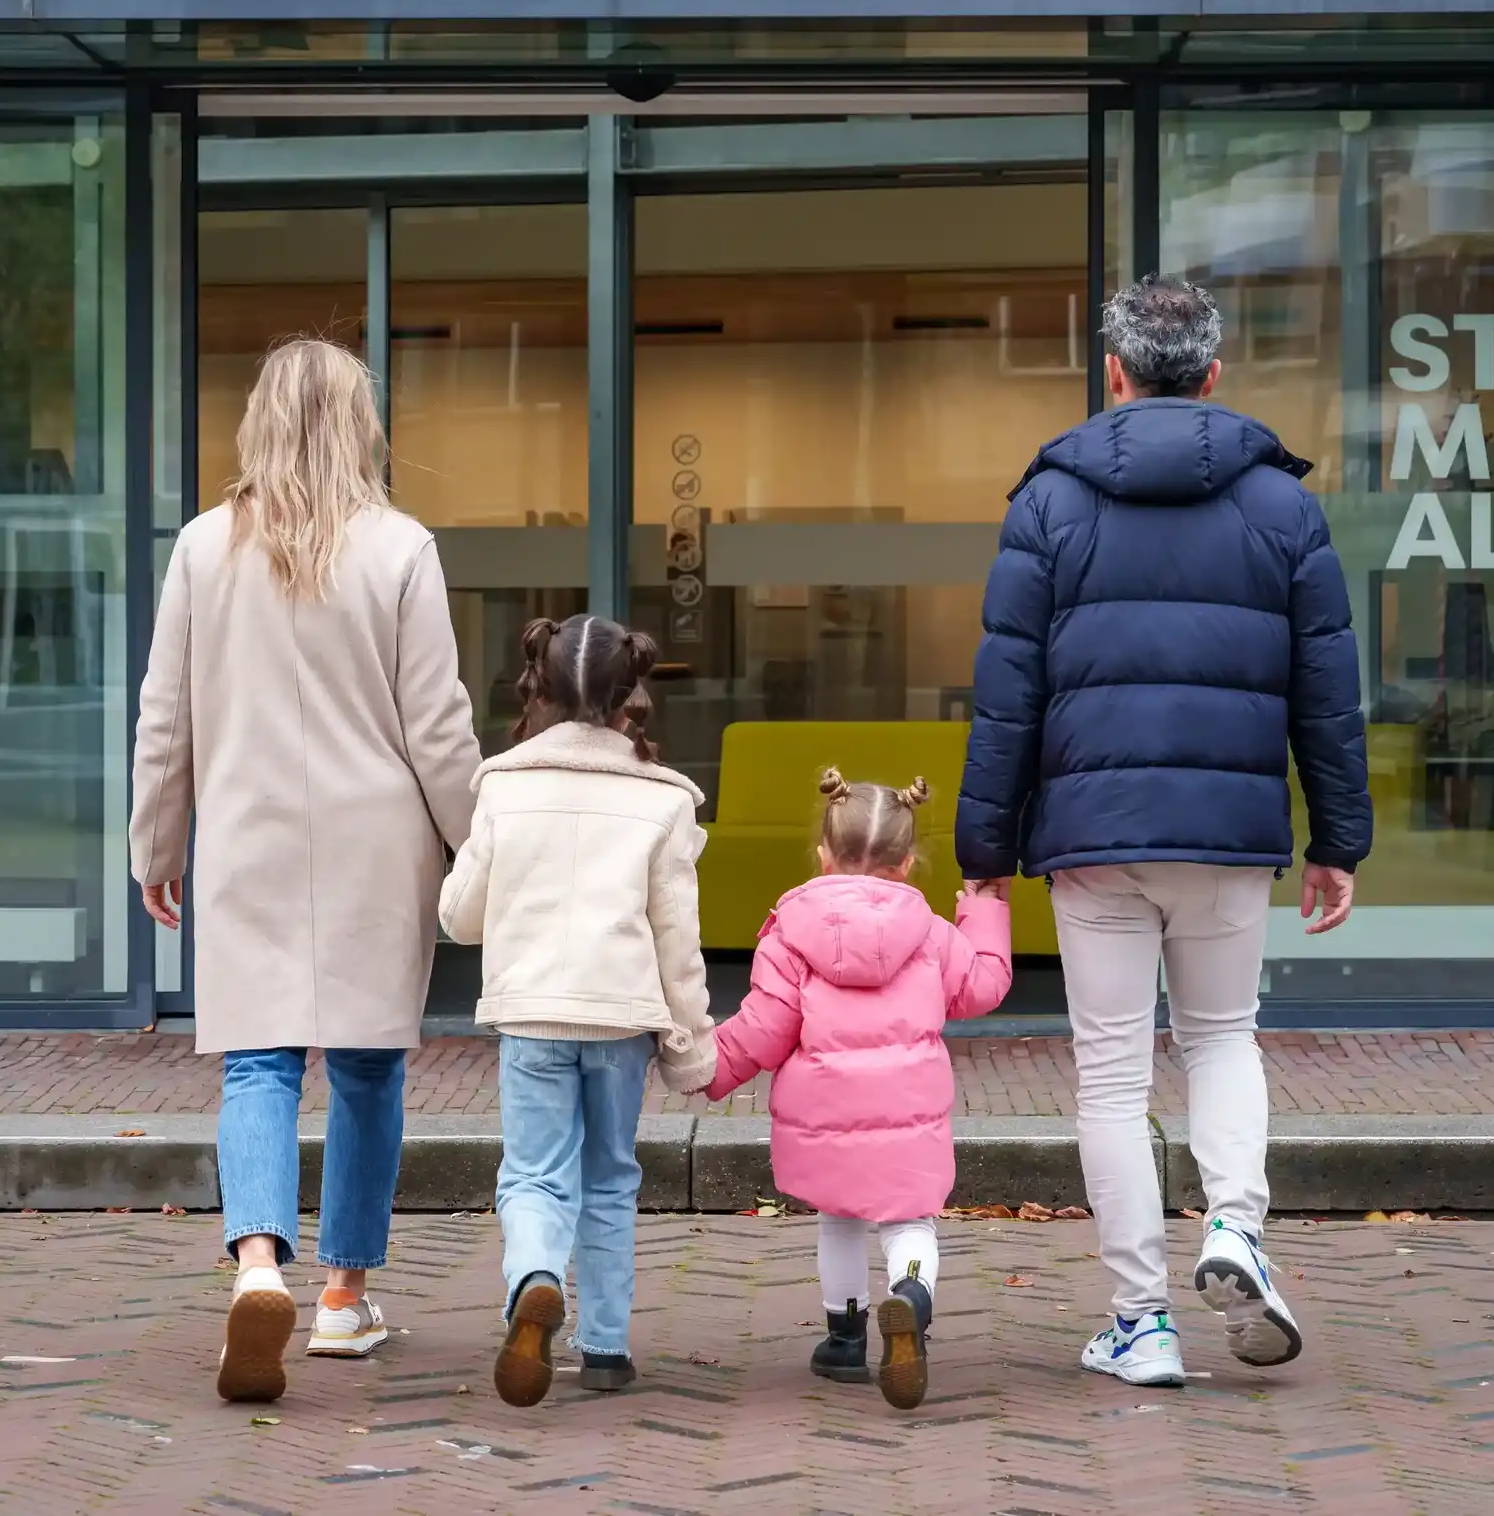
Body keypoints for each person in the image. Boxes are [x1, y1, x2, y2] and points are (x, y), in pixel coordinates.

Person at [956, 275, 1370, 1388]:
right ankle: (1234, 1225)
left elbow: (1007, 695)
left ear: (1115, 374)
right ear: (1214, 376)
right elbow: (1328, 690)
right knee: (1222, 1038)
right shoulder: (1281, 505)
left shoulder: (1050, 500)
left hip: (1093, 835)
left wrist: (985, 855)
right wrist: (1339, 837)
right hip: (1227, 831)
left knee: (1109, 1076)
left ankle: (1140, 1323)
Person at [129, 338, 481, 1405]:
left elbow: (165, 717)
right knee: (369, 1070)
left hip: (247, 836)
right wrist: (481, 845)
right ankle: (341, 1296)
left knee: (257, 1064)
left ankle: (255, 1266)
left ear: (259, 421)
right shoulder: (401, 548)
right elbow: (437, 724)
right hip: (377, 843)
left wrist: (155, 843)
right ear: (360, 424)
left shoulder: (202, 547)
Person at [436, 616, 718, 1409]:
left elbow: (461, 916)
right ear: (630, 693)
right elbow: (677, 938)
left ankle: (535, 1276)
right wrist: (692, 1045)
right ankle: (606, 1345)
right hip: (621, 1018)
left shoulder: (504, 783)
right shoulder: (664, 798)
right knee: (610, 1176)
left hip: (531, 1013)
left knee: (533, 1173)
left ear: (541, 686)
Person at [705, 770, 1012, 1412]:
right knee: (910, 1220)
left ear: (823, 855)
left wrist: (708, 1067)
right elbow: (984, 986)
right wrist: (983, 908)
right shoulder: (932, 934)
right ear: (907, 863)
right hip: (908, 1114)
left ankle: (845, 1340)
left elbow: (765, 1026)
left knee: (839, 1218)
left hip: (826, 1111)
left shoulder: (790, 931)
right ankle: (911, 1295)